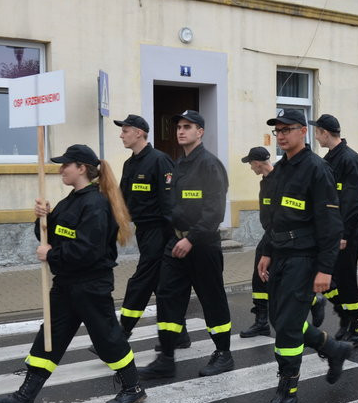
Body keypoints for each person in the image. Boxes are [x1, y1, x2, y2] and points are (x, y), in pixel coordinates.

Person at [0, 145, 144, 403]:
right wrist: (43, 218)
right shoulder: (72, 199)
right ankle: (25, 397)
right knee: (49, 337)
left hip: (90, 285)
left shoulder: (96, 204)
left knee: (107, 338)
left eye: (66, 165)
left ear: (81, 168)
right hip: (66, 284)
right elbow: (50, 236)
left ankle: (132, 388)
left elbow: (88, 251)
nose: (61, 169)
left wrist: (52, 254)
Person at [257, 108, 353, 403]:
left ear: (303, 132)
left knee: (285, 328)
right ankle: (332, 348)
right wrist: (267, 251)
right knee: (281, 319)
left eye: (287, 129)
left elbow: (331, 224)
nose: (282, 135)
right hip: (281, 254)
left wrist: (325, 269)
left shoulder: (317, 169)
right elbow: (276, 218)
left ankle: (288, 394)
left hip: (304, 258)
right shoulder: (281, 170)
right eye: (278, 131)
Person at [139, 110, 234, 379]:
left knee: (211, 299)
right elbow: (172, 206)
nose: (181, 131)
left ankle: (224, 354)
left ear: (200, 131)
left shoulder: (210, 165)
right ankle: (166, 357)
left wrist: (192, 238)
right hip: (176, 243)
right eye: (179, 127)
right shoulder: (178, 165)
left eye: (187, 127)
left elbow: (214, 211)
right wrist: (174, 236)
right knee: (168, 296)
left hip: (202, 245)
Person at [106, 115, 188, 354]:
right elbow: (121, 200)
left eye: (125, 130)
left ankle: (121, 334)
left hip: (161, 232)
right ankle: (179, 334)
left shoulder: (160, 161)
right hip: (143, 231)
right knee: (161, 285)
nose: (121, 135)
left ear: (139, 133)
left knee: (141, 281)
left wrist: (176, 237)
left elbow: (171, 203)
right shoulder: (130, 164)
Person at [310, 114, 358, 346]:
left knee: (346, 281)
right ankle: (346, 320)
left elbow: (352, 202)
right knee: (332, 280)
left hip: (346, 234)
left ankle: (356, 328)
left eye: (317, 131)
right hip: (331, 234)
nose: (316, 136)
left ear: (325, 133)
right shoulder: (330, 158)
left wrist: (343, 234)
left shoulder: (349, 160)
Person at [239, 147, 275, 338]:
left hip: (278, 235)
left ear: (258, 162)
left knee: (277, 278)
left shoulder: (278, 179)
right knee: (259, 276)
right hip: (269, 234)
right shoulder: (265, 181)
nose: (250, 167)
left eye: (251, 163)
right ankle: (261, 321)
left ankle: (313, 301)